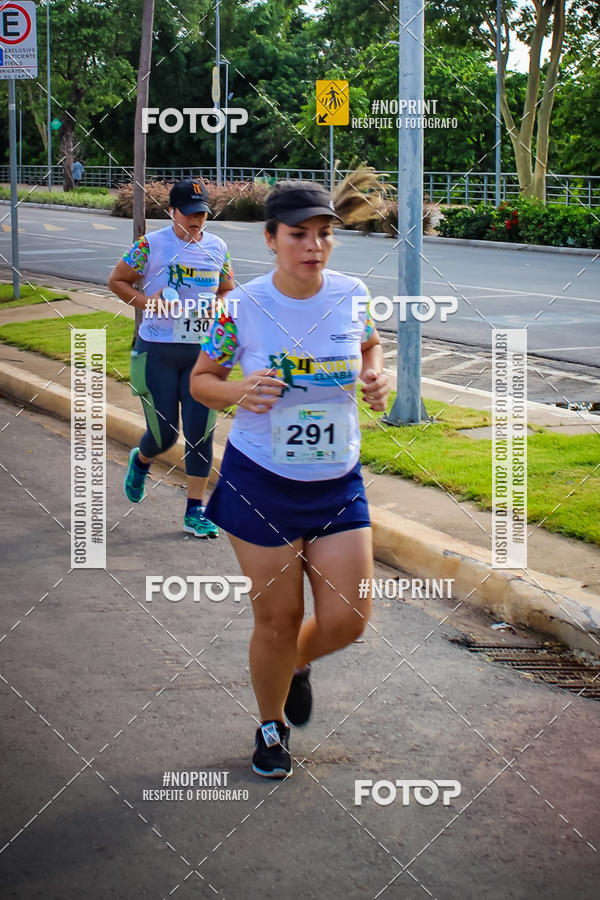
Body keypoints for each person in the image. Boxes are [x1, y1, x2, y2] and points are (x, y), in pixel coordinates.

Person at [190, 181, 390, 777]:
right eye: (299, 234)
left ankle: (294, 664)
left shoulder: (353, 295)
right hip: (263, 483)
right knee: (275, 619)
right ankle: (271, 725)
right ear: (272, 238)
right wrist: (237, 392)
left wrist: (377, 378)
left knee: (348, 620)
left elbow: (371, 348)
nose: (313, 246)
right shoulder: (241, 307)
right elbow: (204, 379)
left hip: (336, 483)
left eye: (324, 234)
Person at [108, 179, 235, 537]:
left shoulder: (218, 247)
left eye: (203, 213)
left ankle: (195, 511)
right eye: (190, 213)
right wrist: (150, 303)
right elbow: (117, 281)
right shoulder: (150, 245)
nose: (197, 220)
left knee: (201, 434)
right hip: (158, 352)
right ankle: (143, 458)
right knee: (164, 435)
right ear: (172, 212)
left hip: (201, 356)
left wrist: (218, 310)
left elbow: (226, 289)